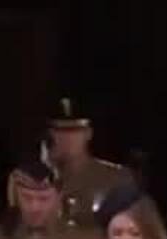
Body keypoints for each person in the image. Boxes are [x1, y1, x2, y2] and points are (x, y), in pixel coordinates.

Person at [47, 98, 134, 230]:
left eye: (75, 131)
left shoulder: (117, 179)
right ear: (52, 134)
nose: (68, 138)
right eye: (61, 131)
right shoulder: (39, 180)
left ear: (88, 133)